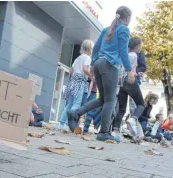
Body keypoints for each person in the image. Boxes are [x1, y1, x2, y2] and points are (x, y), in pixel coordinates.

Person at [67, 6, 135, 142]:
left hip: (99, 64)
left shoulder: (106, 29)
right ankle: (103, 132)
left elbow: (96, 47)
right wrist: (129, 70)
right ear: (127, 18)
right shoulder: (124, 29)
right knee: (110, 100)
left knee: (103, 99)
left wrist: (93, 65)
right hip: (110, 65)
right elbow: (123, 51)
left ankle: (76, 112)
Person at [113, 36, 145, 142]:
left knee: (121, 109)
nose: (141, 47)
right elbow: (131, 69)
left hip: (122, 82)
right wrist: (135, 74)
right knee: (141, 104)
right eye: (140, 45)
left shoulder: (125, 55)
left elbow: (124, 69)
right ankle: (133, 118)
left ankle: (115, 131)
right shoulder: (134, 55)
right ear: (137, 46)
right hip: (131, 81)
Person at [58, 40, 94, 131]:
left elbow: (71, 70)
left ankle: (61, 124)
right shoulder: (87, 58)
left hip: (73, 81)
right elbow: (85, 69)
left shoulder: (78, 58)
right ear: (90, 48)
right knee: (76, 104)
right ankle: (67, 125)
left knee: (69, 104)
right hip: (80, 81)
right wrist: (91, 76)